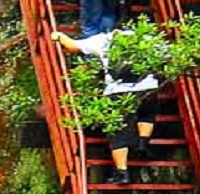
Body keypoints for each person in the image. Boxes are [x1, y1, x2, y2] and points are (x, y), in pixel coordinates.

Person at [55, 24, 164, 184]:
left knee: (117, 132)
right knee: (146, 113)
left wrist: (58, 36)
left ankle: (122, 172)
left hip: (117, 91)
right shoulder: (147, 39)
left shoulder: (105, 40)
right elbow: (168, 56)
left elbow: (72, 46)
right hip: (147, 88)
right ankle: (142, 143)